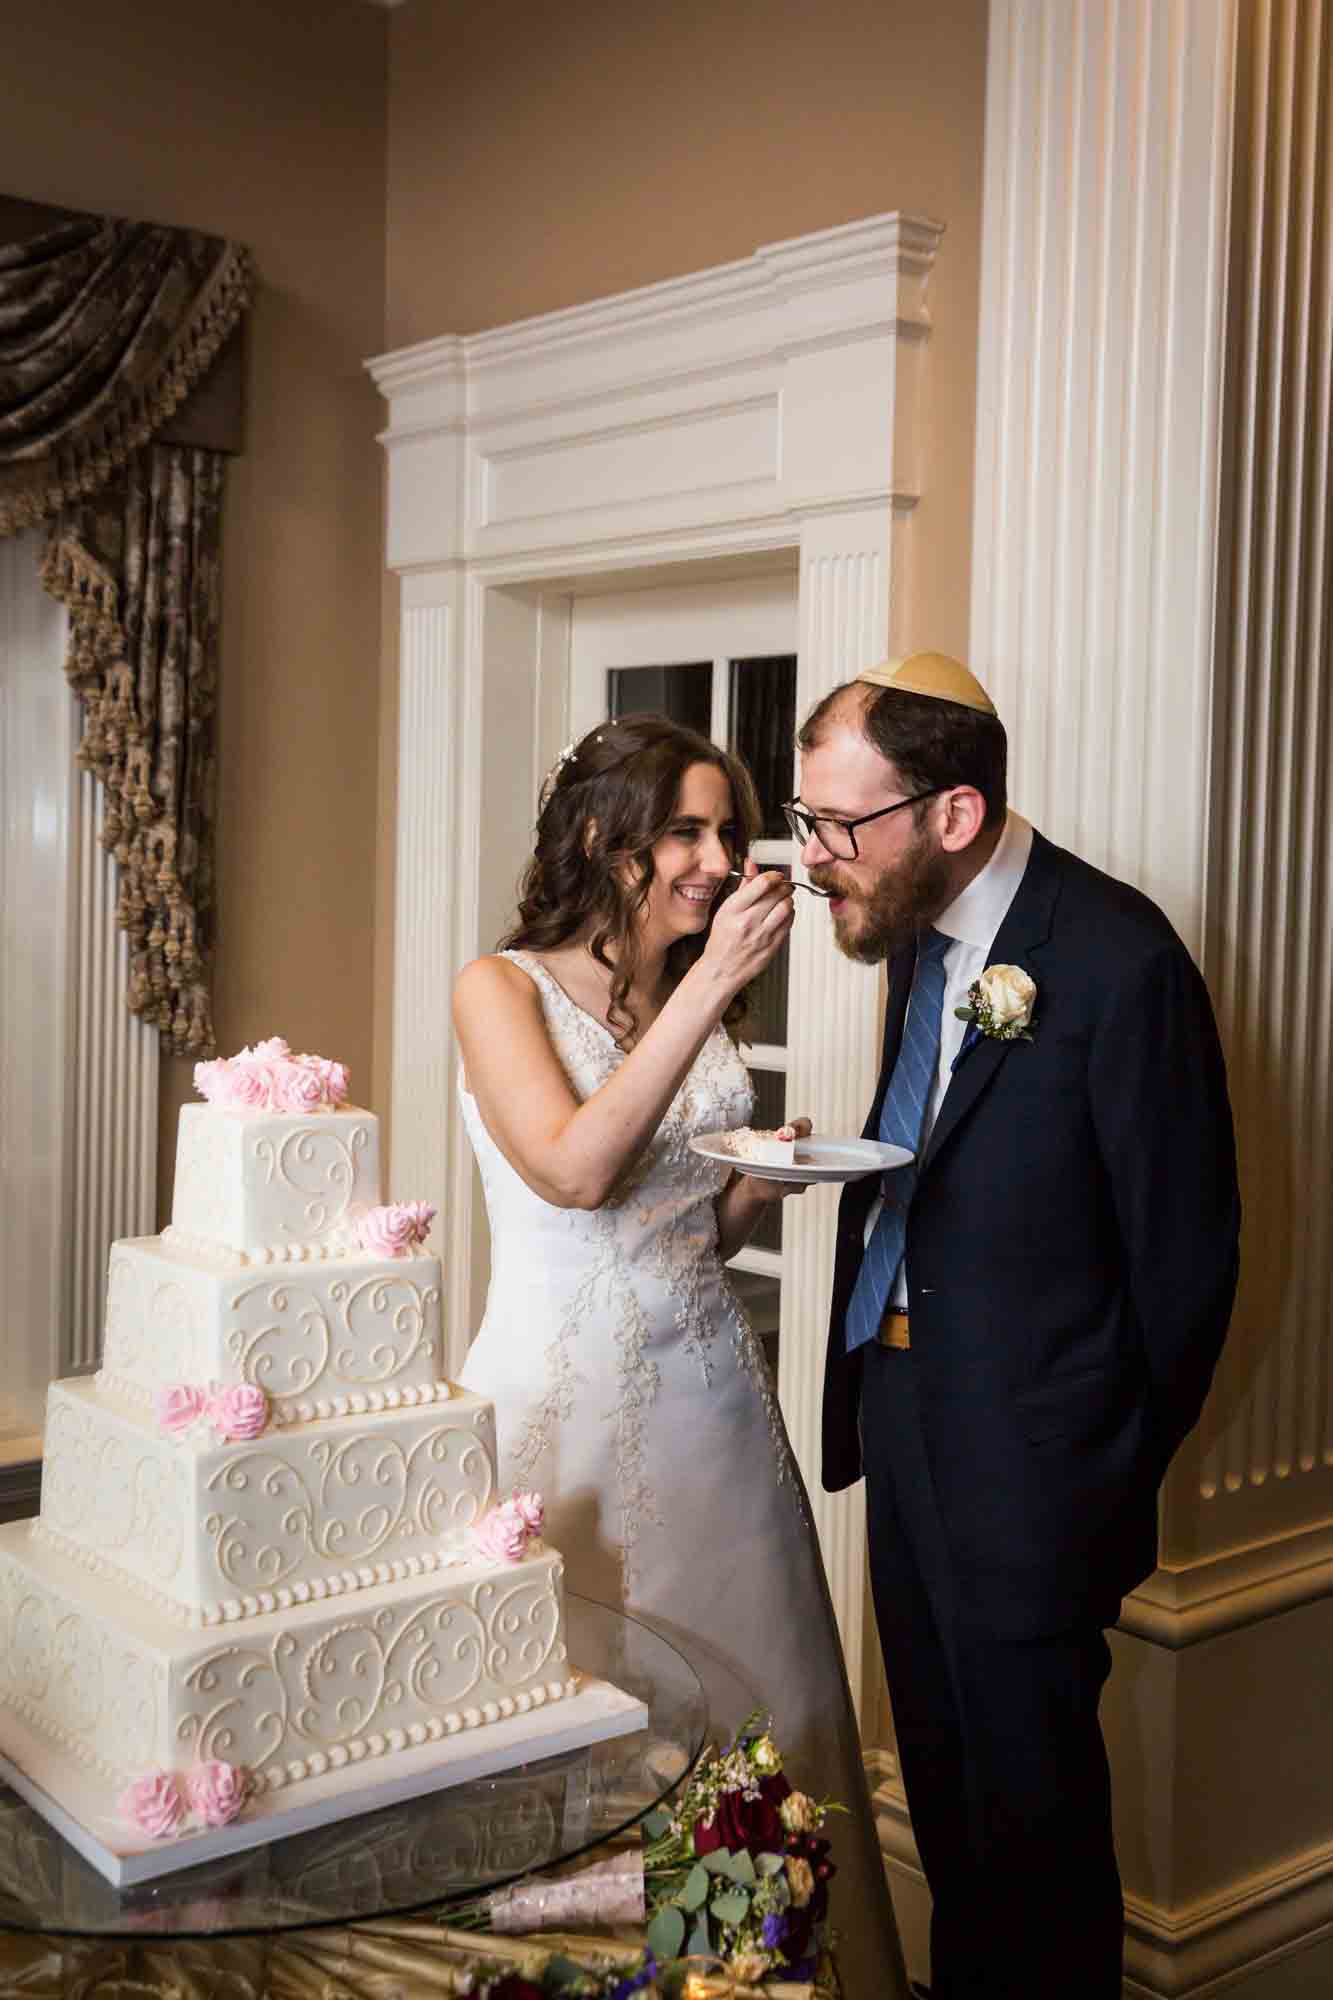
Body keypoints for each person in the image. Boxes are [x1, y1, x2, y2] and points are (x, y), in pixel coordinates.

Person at [796, 653, 1241, 2000]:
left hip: (1039, 1465)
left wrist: (1094, 1478)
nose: (816, 858)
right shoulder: (919, 939)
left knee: (1036, 1826)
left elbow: (1186, 1266)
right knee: (941, 1785)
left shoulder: (1117, 957)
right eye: (809, 819)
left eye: (838, 825)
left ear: (953, 813)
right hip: (906, 1414)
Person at [453, 713, 908, 1996]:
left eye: (730, 829)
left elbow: (673, 1223)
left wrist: (754, 1192)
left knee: (761, 1727)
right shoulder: (500, 988)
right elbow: (576, 1170)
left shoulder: (675, 992)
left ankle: (743, 1970)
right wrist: (710, 984)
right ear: (605, 839)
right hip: (564, 1410)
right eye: (687, 831)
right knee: (590, 1732)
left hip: (711, 1399)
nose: (720, 857)